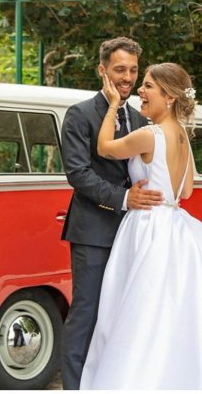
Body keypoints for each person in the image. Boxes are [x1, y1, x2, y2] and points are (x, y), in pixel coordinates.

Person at [80, 63, 201, 389]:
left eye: (148, 86)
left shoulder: (150, 135)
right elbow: (186, 191)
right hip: (175, 227)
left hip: (147, 226)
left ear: (170, 96)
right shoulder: (183, 138)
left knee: (131, 309)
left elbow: (104, 147)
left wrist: (112, 106)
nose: (140, 92)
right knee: (165, 313)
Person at [60, 37, 163, 390]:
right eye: (120, 69)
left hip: (134, 233)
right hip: (93, 233)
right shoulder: (79, 115)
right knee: (86, 314)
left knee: (122, 316)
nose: (128, 78)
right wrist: (124, 198)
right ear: (102, 70)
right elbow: (78, 174)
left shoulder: (140, 118)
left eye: (133, 70)